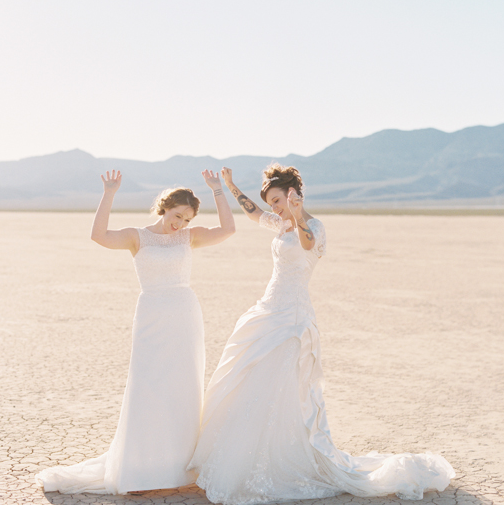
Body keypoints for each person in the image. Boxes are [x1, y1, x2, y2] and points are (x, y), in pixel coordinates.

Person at [188, 163, 455, 503]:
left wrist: (298, 215)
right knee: (249, 377)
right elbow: (253, 214)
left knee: (281, 385)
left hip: (292, 318)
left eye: (278, 200)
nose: (274, 207)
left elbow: (307, 242)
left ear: (293, 194)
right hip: (268, 309)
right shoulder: (281, 223)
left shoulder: (312, 227)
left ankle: (281, 459)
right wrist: (229, 185)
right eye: (271, 202)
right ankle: (243, 453)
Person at [36, 169, 235, 495]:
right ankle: (142, 469)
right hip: (152, 317)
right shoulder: (137, 237)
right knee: (149, 388)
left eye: (186, 219)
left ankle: (179, 469)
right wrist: (109, 193)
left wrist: (217, 190)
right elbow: (98, 235)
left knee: (183, 388)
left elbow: (228, 228)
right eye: (176, 215)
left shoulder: (188, 237)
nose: (180, 223)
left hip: (184, 315)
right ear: (163, 207)